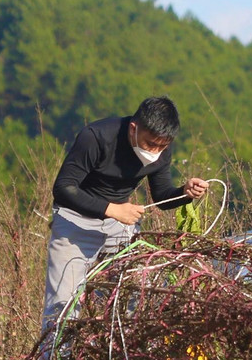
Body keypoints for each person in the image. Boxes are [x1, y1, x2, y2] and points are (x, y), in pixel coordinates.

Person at [43, 96, 210, 329]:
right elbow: (63, 188)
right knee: (62, 307)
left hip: (119, 225)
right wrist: (111, 209)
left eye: (162, 146)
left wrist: (185, 192)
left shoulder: (161, 147)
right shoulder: (96, 137)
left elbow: (161, 197)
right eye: (150, 144)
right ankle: (54, 353)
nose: (155, 151)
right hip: (74, 223)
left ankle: (117, 350)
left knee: (133, 298)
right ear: (133, 128)